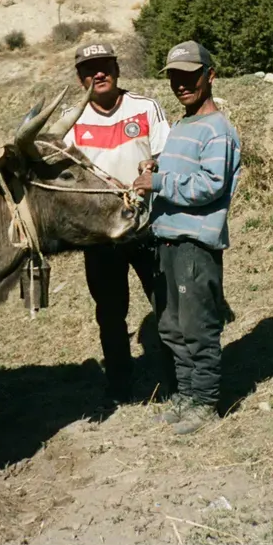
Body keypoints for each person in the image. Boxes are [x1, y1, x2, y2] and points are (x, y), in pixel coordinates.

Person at [132, 41, 241, 436]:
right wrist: (156, 162)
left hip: (195, 244)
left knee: (197, 326)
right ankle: (185, 395)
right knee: (171, 326)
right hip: (168, 241)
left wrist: (159, 182)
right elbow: (183, 165)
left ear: (210, 75)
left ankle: (205, 403)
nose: (181, 84)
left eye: (190, 76)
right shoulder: (182, 125)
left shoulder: (218, 130)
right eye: (175, 77)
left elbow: (210, 185)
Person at [62, 40, 170, 404]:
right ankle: (120, 386)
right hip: (101, 236)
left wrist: (153, 166)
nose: (99, 74)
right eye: (89, 70)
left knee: (165, 305)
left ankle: (176, 378)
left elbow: (167, 152)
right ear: (80, 79)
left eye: (105, 66)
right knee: (109, 314)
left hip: (146, 226)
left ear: (117, 69)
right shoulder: (71, 120)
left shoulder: (145, 107)